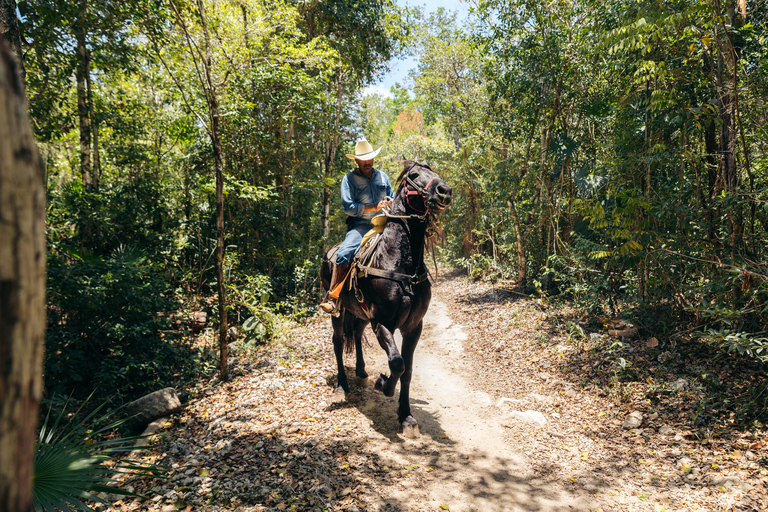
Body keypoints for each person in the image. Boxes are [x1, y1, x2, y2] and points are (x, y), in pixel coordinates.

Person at [319, 137, 393, 315]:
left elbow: (393, 199)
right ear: (357, 160)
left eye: (370, 158)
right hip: (361, 226)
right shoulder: (349, 179)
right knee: (344, 253)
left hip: (385, 223)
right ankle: (333, 297)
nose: (367, 162)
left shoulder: (383, 177)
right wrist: (373, 207)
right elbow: (348, 207)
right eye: (363, 159)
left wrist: (391, 204)